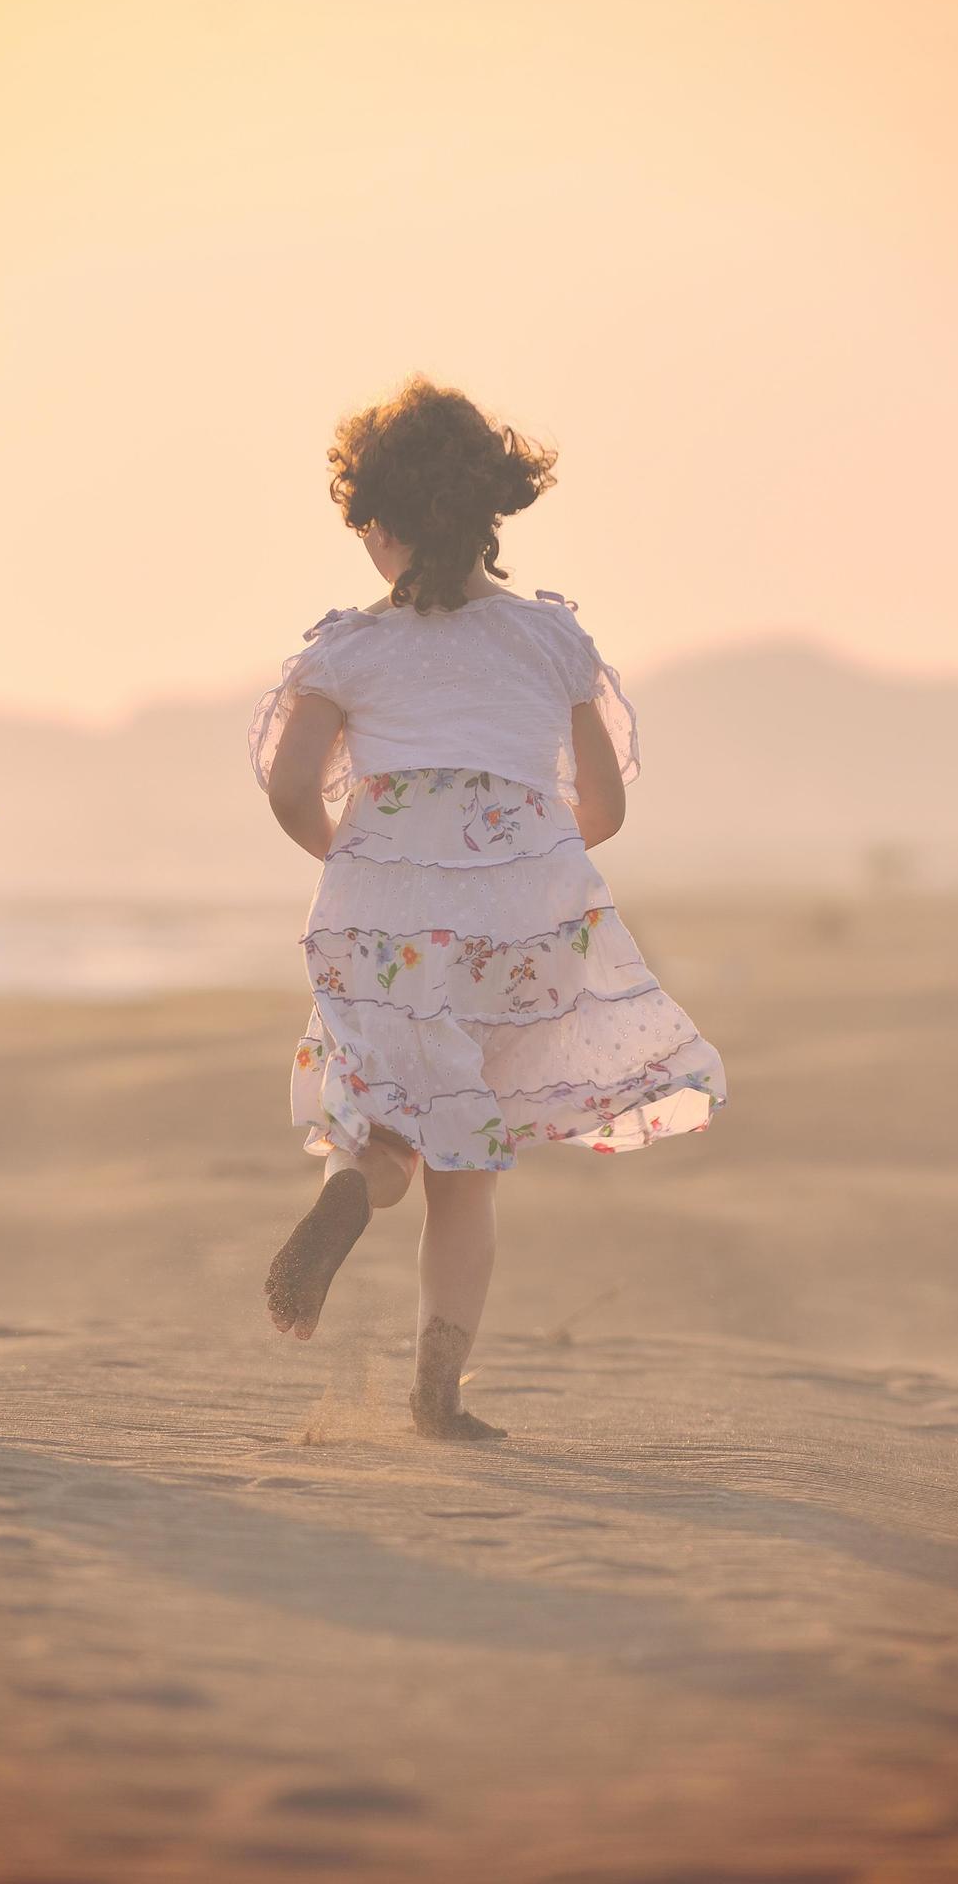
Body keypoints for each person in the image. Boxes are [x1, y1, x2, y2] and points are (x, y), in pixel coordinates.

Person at [250, 380, 725, 1440]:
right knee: (466, 1163)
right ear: (491, 515)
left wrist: (359, 860)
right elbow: (601, 804)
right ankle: (439, 1387)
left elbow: (288, 789)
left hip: (377, 904)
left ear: (379, 526)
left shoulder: (347, 650)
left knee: (382, 1120)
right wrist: (520, 863)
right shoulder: (549, 642)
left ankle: (354, 1187)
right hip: (512, 917)